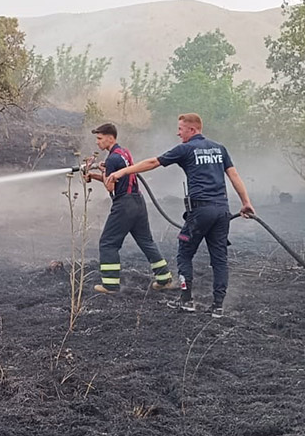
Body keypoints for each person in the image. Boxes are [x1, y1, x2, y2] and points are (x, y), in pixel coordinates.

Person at [105, 114, 255, 318]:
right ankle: (218, 307)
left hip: (200, 211)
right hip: (222, 210)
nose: (178, 132)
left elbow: (152, 162)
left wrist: (121, 172)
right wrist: (246, 203)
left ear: (192, 130)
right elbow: (234, 175)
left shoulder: (186, 148)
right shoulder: (219, 148)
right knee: (219, 259)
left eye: (181, 129)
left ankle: (186, 301)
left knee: (184, 254)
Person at [82, 123, 176, 295]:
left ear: (110, 138)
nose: (97, 142)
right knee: (146, 241)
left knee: (108, 243)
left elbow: (110, 188)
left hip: (124, 204)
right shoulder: (123, 153)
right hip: (137, 202)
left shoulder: (112, 159)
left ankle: (110, 285)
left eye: (99, 138)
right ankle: (164, 279)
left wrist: (101, 173)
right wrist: (95, 175)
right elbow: (117, 179)